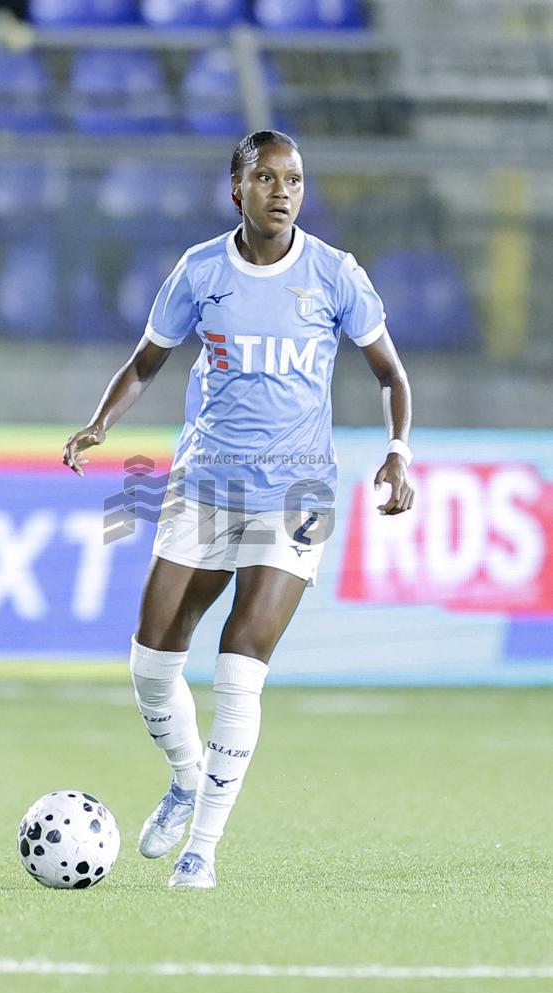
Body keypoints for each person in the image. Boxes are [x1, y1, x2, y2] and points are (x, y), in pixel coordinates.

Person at [63, 130, 414, 890]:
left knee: (238, 665)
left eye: (293, 179)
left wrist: (397, 450)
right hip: (206, 482)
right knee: (152, 657)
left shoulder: (334, 274)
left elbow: (389, 372)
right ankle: (188, 778)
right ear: (237, 189)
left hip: (299, 492)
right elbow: (146, 361)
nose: (282, 191)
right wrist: (103, 424)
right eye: (266, 178)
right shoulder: (199, 271)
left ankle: (204, 849)